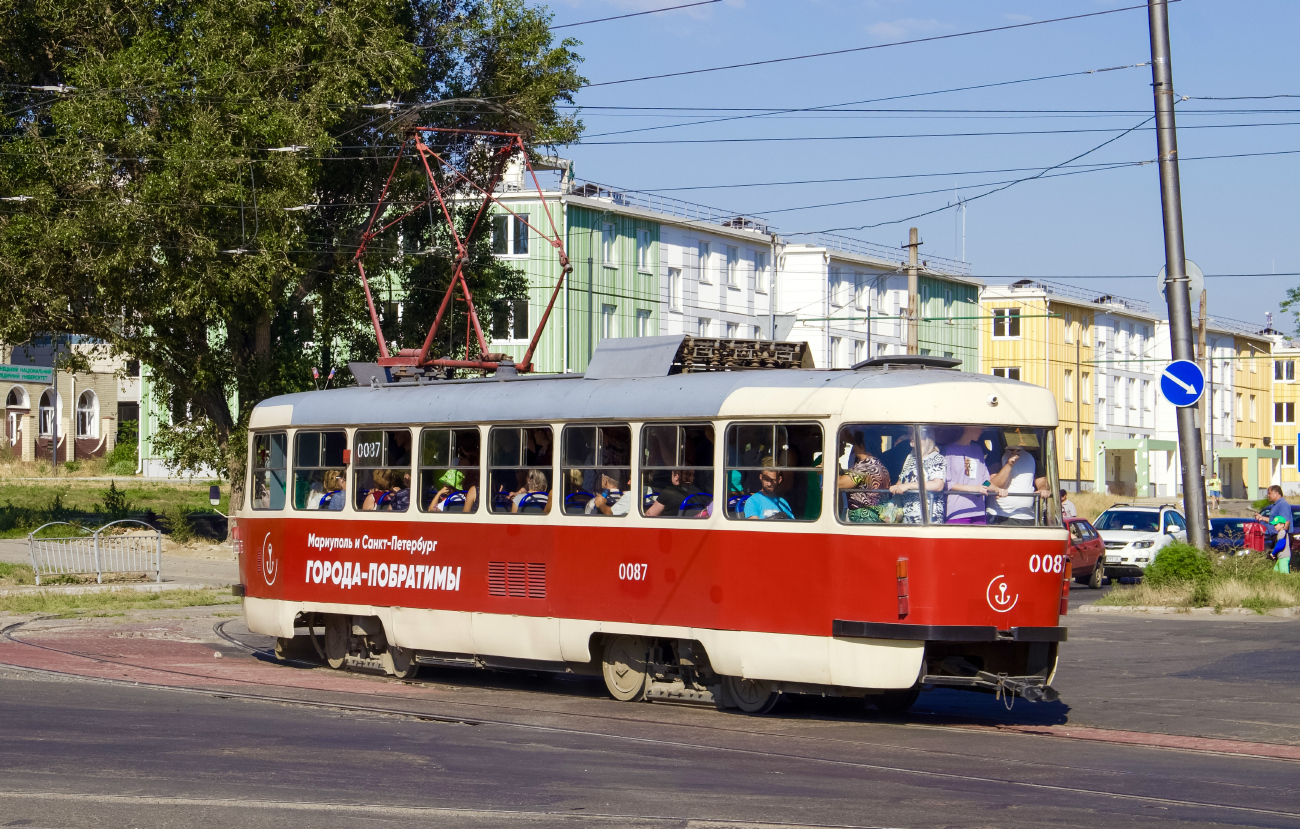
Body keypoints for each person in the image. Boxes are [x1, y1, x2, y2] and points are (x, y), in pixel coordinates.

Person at [941, 426, 1003, 524]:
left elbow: (985, 481)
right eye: (979, 428)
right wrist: (973, 488)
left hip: (979, 511)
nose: (982, 431)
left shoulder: (978, 449)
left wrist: (997, 489)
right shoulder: (949, 450)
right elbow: (945, 483)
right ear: (966, 428)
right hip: (957, 512)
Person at [987, 436, 1051, 525]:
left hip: (1028, 516)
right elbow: (993, 484)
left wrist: (1043, 489)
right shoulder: (996, 456)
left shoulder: (1032, 457)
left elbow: (1042, 481)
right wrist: (1009, 465)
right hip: (1001, 516)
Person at [889, 427, 946, 524]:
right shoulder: (910, 457)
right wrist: (896, 487)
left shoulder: (936, 458)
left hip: (927, 518)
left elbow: (938, 485)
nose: (911, 436)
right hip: (907, 516)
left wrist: (908, 486)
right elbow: (901, 480)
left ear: (927, 436)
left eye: (915, 433)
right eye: (910, 433)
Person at [838, 432, 892, 523]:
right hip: (876, 516)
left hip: (865, 519)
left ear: (862, 446)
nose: (853, 448)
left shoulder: (866, 465)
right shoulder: (876, 464)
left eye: (855, 444)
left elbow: (841, 483)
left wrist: (828, 470)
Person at [1255, 484, 1292, 574]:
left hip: (1279, 536)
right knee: (1277, 564)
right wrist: (1262, 518)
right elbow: (1274, 521)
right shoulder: (1276, 505)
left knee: (1282, 562)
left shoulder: (1282, 504)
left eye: (1269, 493)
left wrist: (1283, 533)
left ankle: (1286, 582)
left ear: (1277, 493)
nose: (1268, 495)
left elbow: (1286, 521)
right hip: (1276, 536)